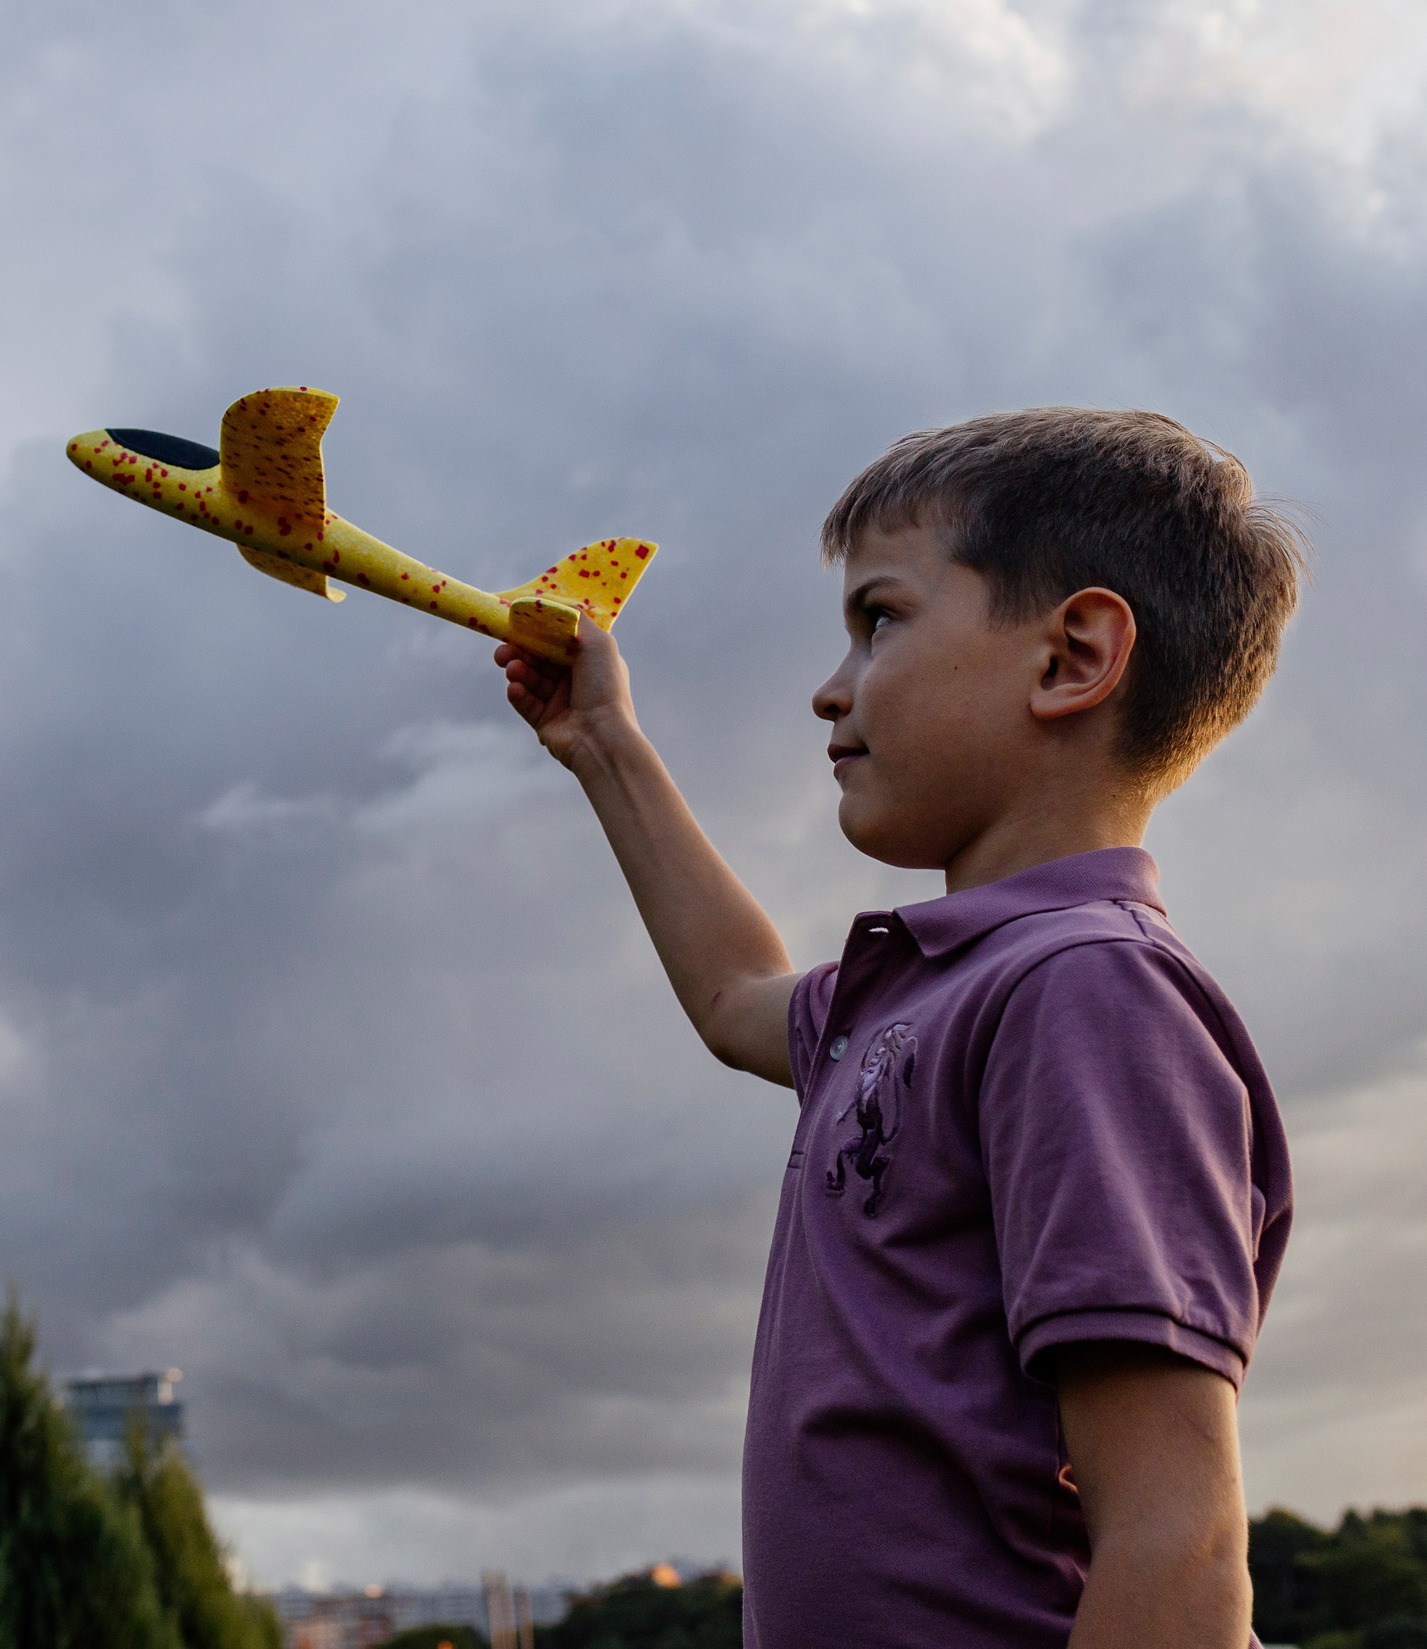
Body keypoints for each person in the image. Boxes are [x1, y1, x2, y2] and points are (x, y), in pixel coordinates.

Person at [494, 409, 1303, 1647]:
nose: (829, 690)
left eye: (879, 621)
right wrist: (606, 745)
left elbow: (1176, 1537)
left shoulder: (1083, 992)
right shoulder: (927, 991)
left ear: (1071, 657)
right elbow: (733, 1000)